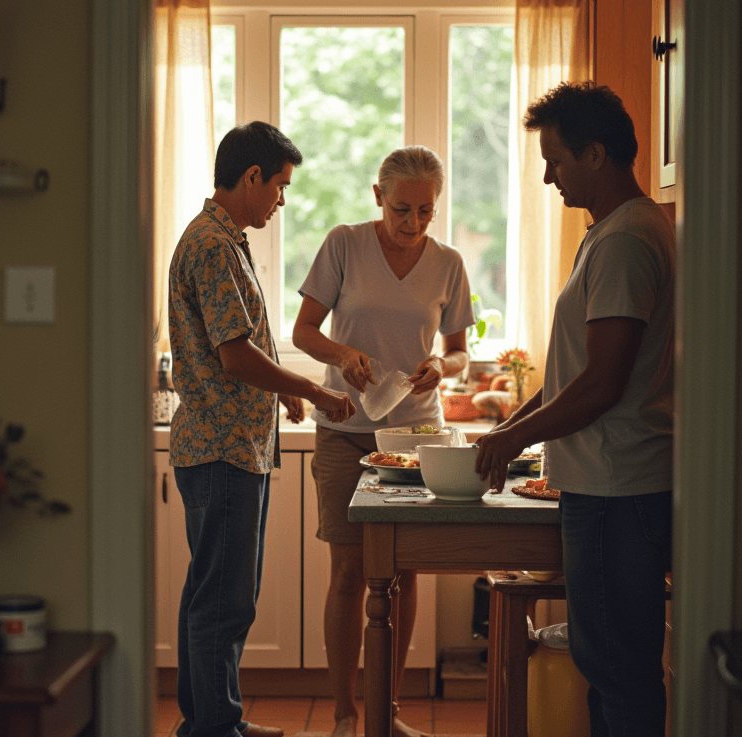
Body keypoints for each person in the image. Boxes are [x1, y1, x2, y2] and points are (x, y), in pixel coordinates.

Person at [475, 82, 675, 737]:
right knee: (609, 664)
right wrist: (511, 426)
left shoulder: (625, 241)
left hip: (618, 486)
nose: (546, 177)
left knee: (617, 669)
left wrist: (513, 440)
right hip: (608, 482)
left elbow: (602, 384)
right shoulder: (616, 231)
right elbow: (575, 372)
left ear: (596, 154)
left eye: (555, 160)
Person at [169, 121, 356, 737]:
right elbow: (235, 355)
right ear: (252, 177)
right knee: (224, 601)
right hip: (222, 449)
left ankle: (210, 721)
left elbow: (238, 346)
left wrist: (283, 395)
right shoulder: (214, 245)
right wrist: (311, 389)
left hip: (226, 446)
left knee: (210, 594)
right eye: (280, 186)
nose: (281, 200)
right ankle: (214, 728)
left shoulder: (220, 238)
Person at [292, 145, 476, 737]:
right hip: (344, 430)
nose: (413, 223)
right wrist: (342, 354)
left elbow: (459, 352)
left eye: (426, 211)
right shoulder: (344, 244)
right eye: (402, 209)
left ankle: (386, 713)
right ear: (378, 196)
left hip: (416, 436)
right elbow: (303, 331)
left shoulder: (448, 263)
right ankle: (346, 715)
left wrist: (442, 367)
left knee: (404, 572)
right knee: (349, 571)